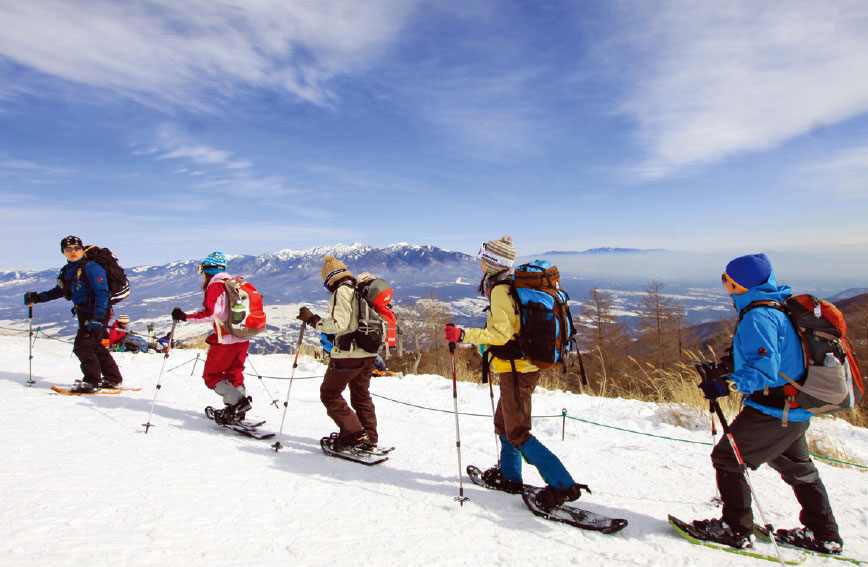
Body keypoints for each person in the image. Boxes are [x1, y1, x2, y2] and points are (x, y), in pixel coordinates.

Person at [691, 253, 842, 554]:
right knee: (799, 469)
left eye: (726, 279)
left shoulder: (758, 315)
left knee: (727, 458)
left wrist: (728, 384)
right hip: (794, 407)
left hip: (774, 411)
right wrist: (728, 367)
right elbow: (777, 355)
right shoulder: (776, 306)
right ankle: (824, 534)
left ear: (739, 284)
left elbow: (765, 369)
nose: (724, 284)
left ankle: (736, 530)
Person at [442, 235, 586, 512]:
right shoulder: (509, 285)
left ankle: (563, 486)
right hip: (518, 369)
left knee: (518, 432)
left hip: (517, 371)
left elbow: (500, 332)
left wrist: (463, 334)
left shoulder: (499, 289)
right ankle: (510, 476)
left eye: (484, 259)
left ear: (491, 262)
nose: (481, 264)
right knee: (504, 426)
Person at [297, 255, 379, 451]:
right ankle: (370, 437)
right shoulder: (359, 289)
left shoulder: (341, 292)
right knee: (361, 396)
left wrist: (313, 320)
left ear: (328, 280)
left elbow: (338, 325)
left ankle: (354, 433)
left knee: (330, 393)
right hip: (368, 352)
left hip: (348, 355)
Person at [23, 235, 123, 392]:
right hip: (84, 312)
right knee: (94, 346)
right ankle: (113, 379)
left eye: (76, 248)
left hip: (95, 312)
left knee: (82, 346)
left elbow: (102, 293)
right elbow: (60, 290)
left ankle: (92, 382)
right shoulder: (68, 270)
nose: (73, 251)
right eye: (68, 249)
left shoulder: (91, 267)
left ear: (82, 249)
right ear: (63, 252)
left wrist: (97, 317)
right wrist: (38, 298)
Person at [171, 252, 252, 424]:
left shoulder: (216, 287)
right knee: (234, 374)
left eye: (202, 272)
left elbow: (210, 314)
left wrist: (185, 317)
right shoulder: (235, 284)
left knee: (212, 376)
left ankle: (237, 403)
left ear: (208, 271)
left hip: (225, 341)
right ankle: (237, 409)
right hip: (243, 338)